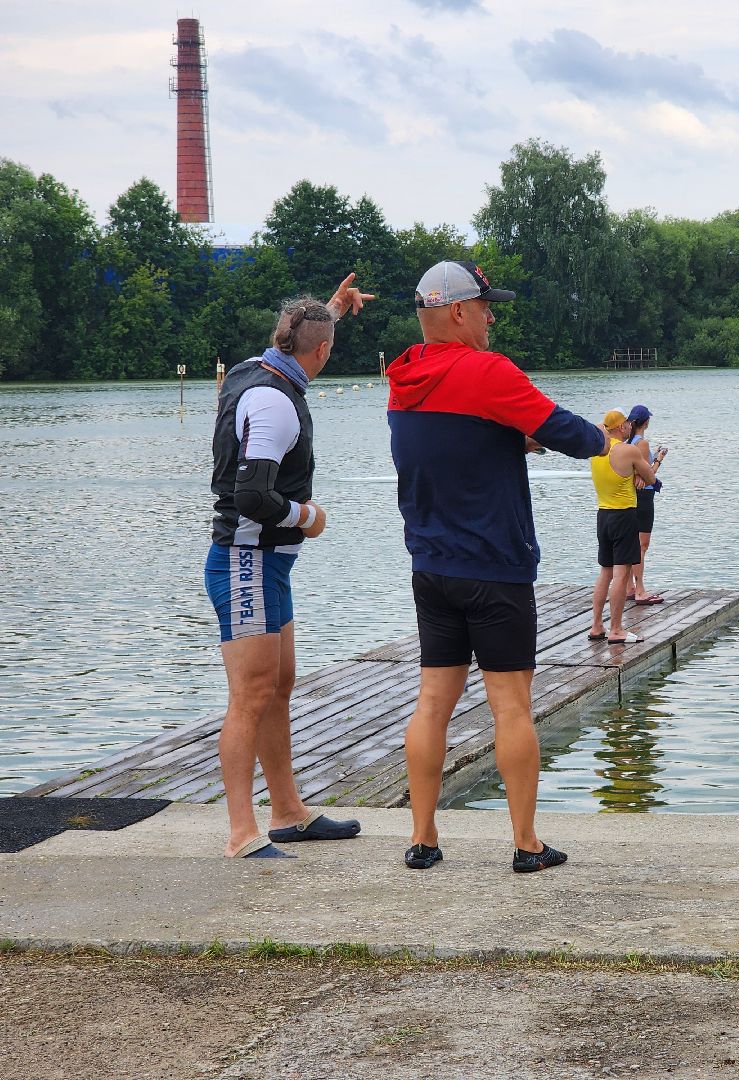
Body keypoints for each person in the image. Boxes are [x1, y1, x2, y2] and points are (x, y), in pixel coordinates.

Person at [387, 260, 607, 873]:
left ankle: (424, 838)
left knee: (433, 700)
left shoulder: (403, 375)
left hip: (431, 566)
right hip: (495, 569)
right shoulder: (486, 369)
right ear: (457, 311)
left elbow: (454, 444)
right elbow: (563, 428)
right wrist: (615, 448)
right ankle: (526, 843)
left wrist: (511, 439)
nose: (491, 317)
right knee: (511, 705)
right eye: (485, 306)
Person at [206, 273, 374, 859]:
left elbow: (300, 334)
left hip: (267, 565)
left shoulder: (261, 365)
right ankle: (240, 833)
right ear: (319, 352)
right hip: (245, 559)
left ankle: (287, 813)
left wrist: (332, 309)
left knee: (279, 685)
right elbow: (253, 497)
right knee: (251, 694)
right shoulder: (276, 404)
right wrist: (308, 516)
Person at [587, 409, 656, 645]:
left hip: (603, 515)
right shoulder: (628, 450)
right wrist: (637, 471)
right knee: (621, 573)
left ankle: (597, 625)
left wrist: (607, 426)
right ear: (620, 428)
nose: (629, 426)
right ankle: (616, 629)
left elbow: (599, 426)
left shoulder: (595, 451)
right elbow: (651, 479)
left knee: (605, 572)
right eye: (625, 423)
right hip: (624, 515)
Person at [624, 404, 668, 605]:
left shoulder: (628, 441)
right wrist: (659, 458)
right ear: (646, 422)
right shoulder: (642, 443)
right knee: (642, 545)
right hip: (644, 498)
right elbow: (648, 476)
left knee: (635, 544)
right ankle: (639, 589)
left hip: (633, 497)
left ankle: (630, 587)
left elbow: (638, 473)